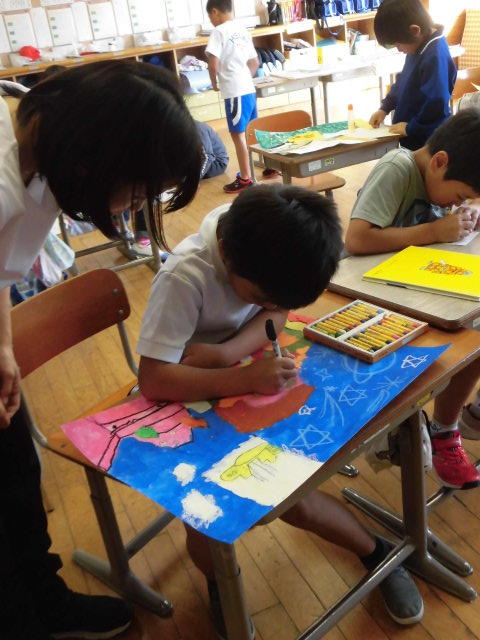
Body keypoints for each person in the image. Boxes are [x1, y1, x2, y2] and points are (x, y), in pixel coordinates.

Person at [137, 184, 425, 636]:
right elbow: (154, 379)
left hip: (236, 375)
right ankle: (221, 585)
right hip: (185, 396)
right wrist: (240, 377)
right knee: (204, 513)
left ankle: (378, 553)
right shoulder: (185, 277)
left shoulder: (265, 248)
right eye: (261, 295)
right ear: (226, 255)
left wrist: (228, 353)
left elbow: (278, 315)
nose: (269, 303)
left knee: (295, 498)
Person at [0, 60, 203, 640]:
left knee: (18, 481)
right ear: (97, 153)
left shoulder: (41, 160)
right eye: (136, 189)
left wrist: (4, 348)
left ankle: (47, 601)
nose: (131, 206)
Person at [345, 109, 480, 490]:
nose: (458, 203)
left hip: (415, 290)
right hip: (370, 298)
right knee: (468, 339)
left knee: (476, 334)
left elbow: (454, 205)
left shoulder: (441, 175)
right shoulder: (398, 168)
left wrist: (470, 208)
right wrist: (434, 231)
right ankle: (427, 428)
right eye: (460, 195)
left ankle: (444, 429)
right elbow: (356, 240)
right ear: (439, 162)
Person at [369, 0, 456, 151]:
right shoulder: (418, 44)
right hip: (412, 137)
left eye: (398, 44)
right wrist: (385, 108)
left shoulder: (434, 56)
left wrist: (411, 128)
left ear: (415, 31)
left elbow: (437, 103)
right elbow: (403, 82)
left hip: (428, 141)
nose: (399, 49)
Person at [205, 0, 260, 194]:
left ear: (214, 12)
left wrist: (214, 83)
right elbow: (254, 62)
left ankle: (245, 178)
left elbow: (213, 63)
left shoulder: (218, 32)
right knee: (252, 132)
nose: (211, 20)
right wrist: (244, 78)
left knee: (238, 135)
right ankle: (269, 167)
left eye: (210, 17)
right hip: (248, 88)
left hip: (234, 91)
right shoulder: (242, 29)